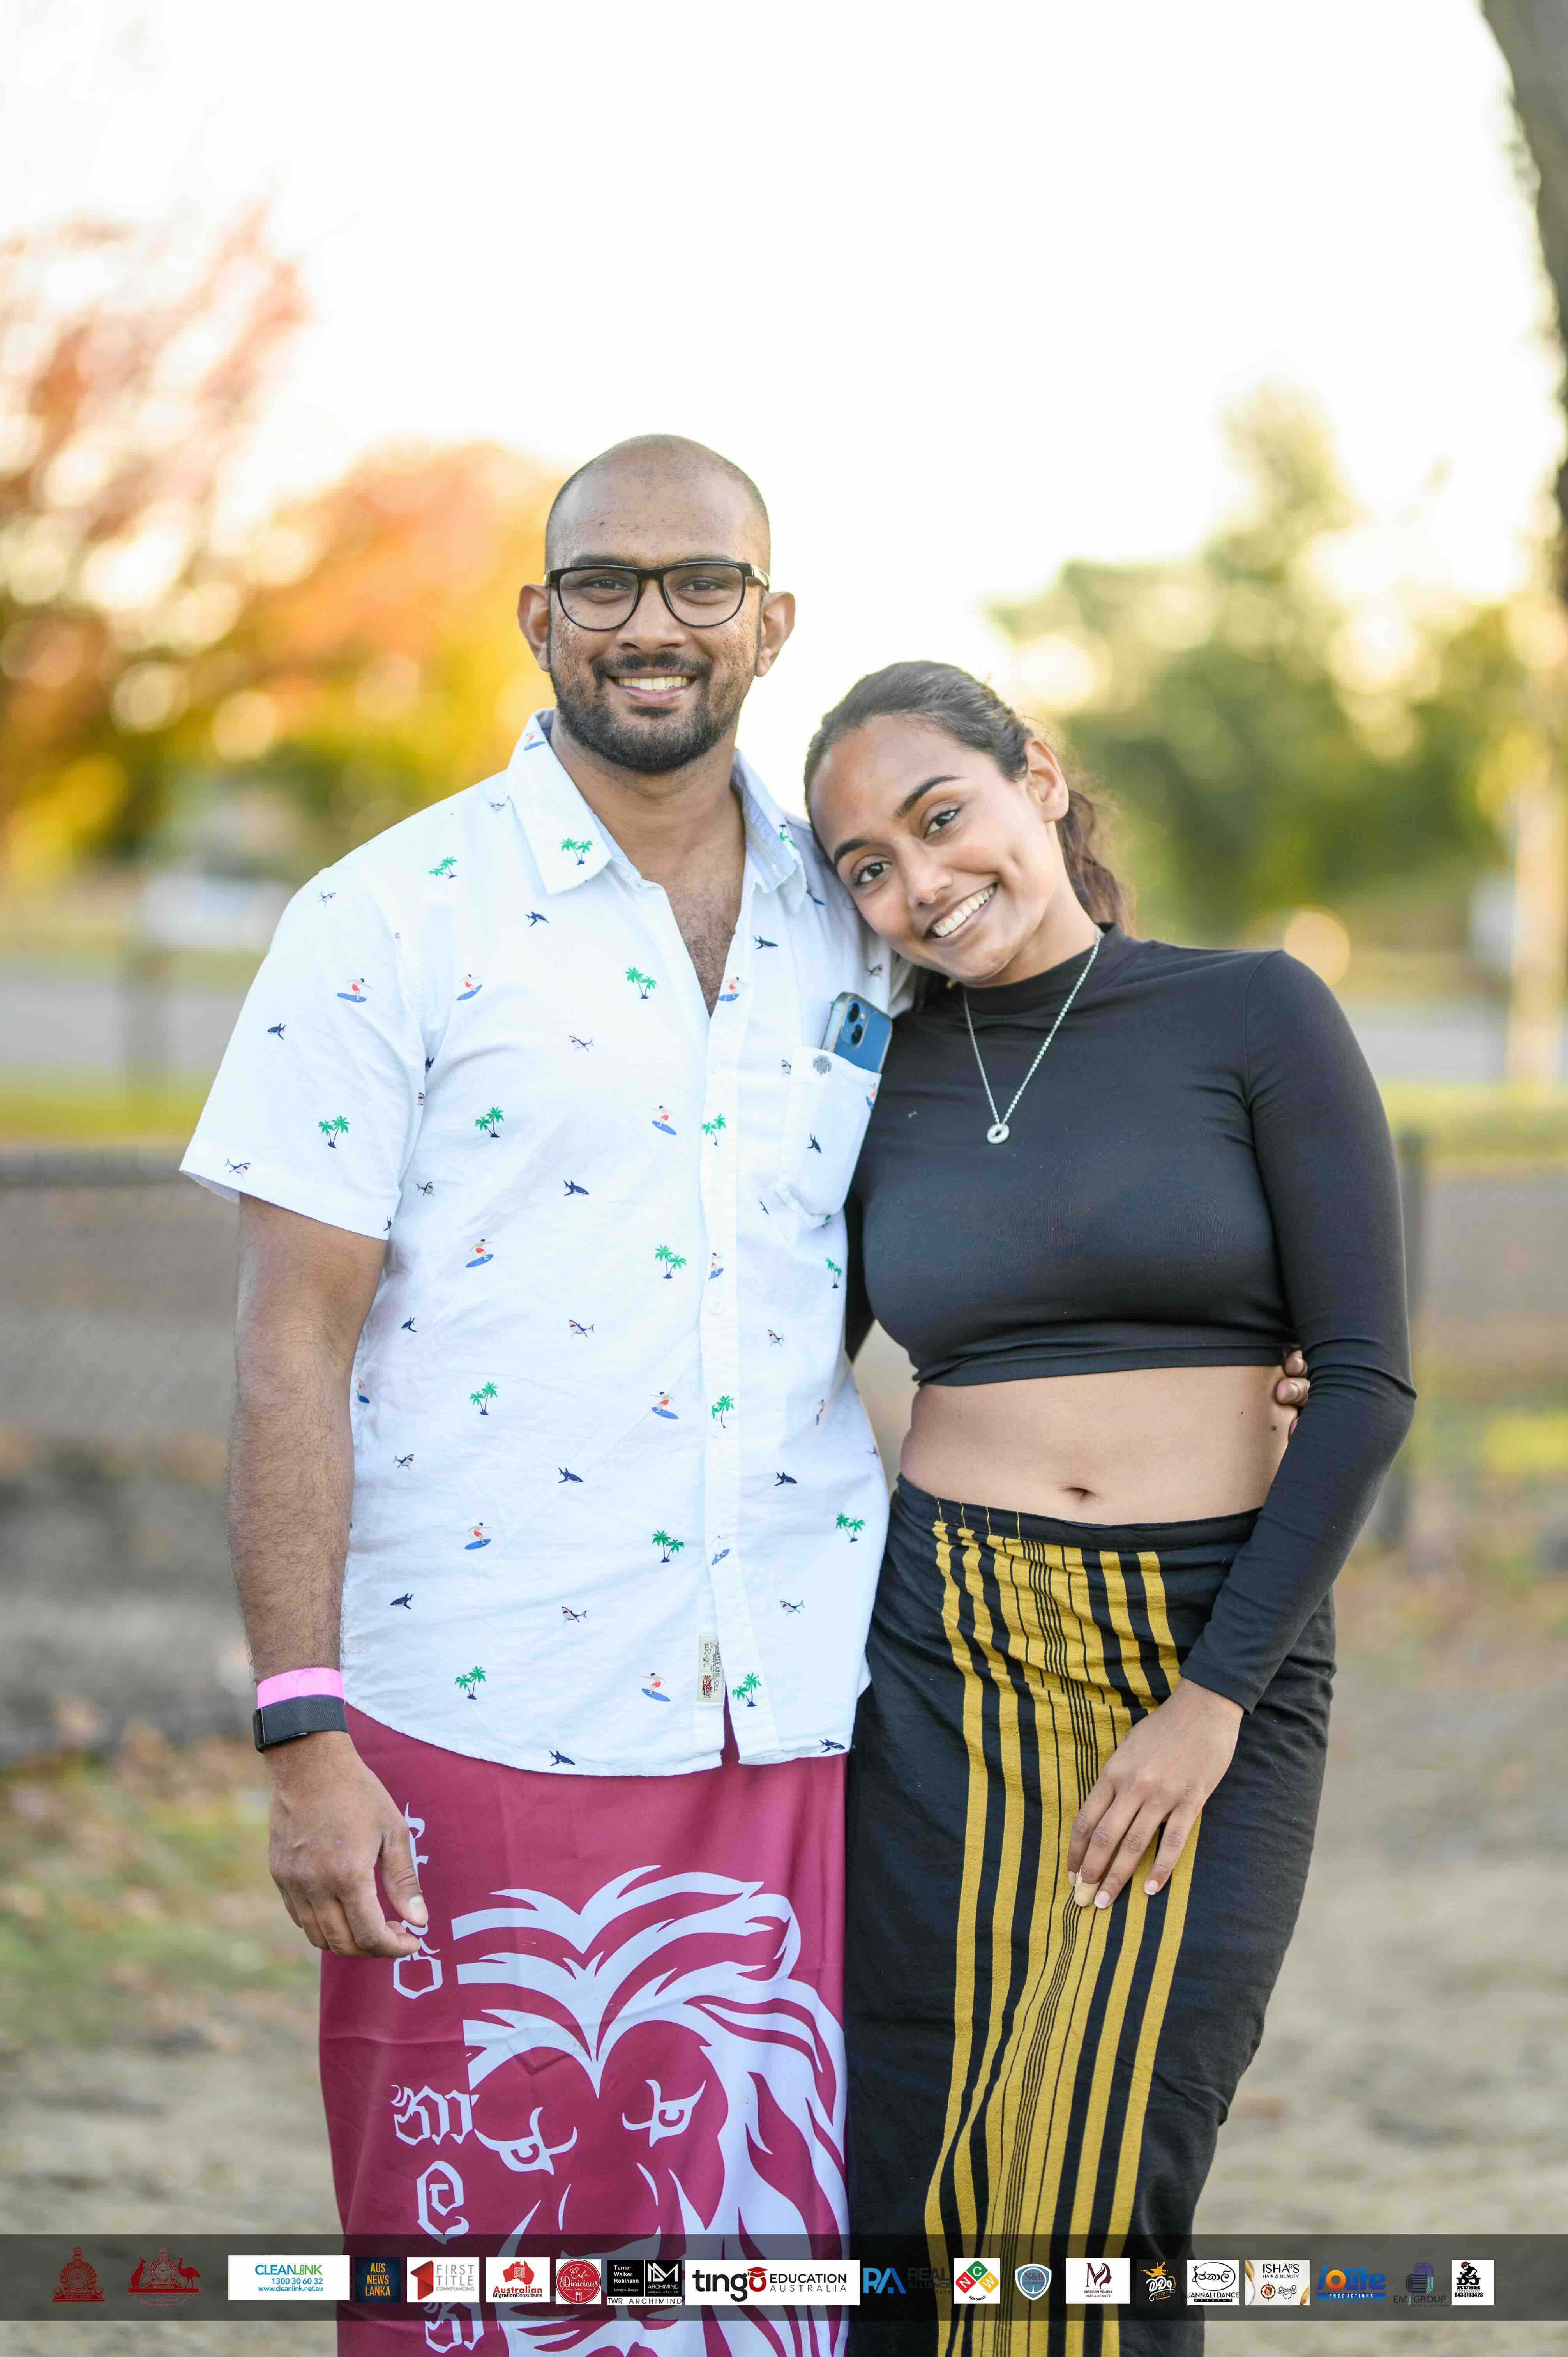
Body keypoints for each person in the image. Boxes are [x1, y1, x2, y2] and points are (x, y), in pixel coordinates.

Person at [180, 438, 897, 2353]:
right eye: (605, 583)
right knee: (480, 2296)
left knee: (764, 2284)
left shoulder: (864, 923)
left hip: (795, 1711)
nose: (652, 624)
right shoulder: (385, 914)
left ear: (774, 620)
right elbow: (285, 1346)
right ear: (539, 617)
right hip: (475, 1712)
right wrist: (302, 1731)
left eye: (700, 583)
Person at [805, 662, 1414, 2355]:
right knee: (915, 2170)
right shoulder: (868, 1083)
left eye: (941, 819)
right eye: (865, 865)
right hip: (944, 1665)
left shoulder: (1252, 1014)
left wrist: (1211, 1701)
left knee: (1107, 2184)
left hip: (1200, 1650)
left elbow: (1364, 1382)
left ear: (1038, 783)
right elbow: (762, 1367)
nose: (919, 884)